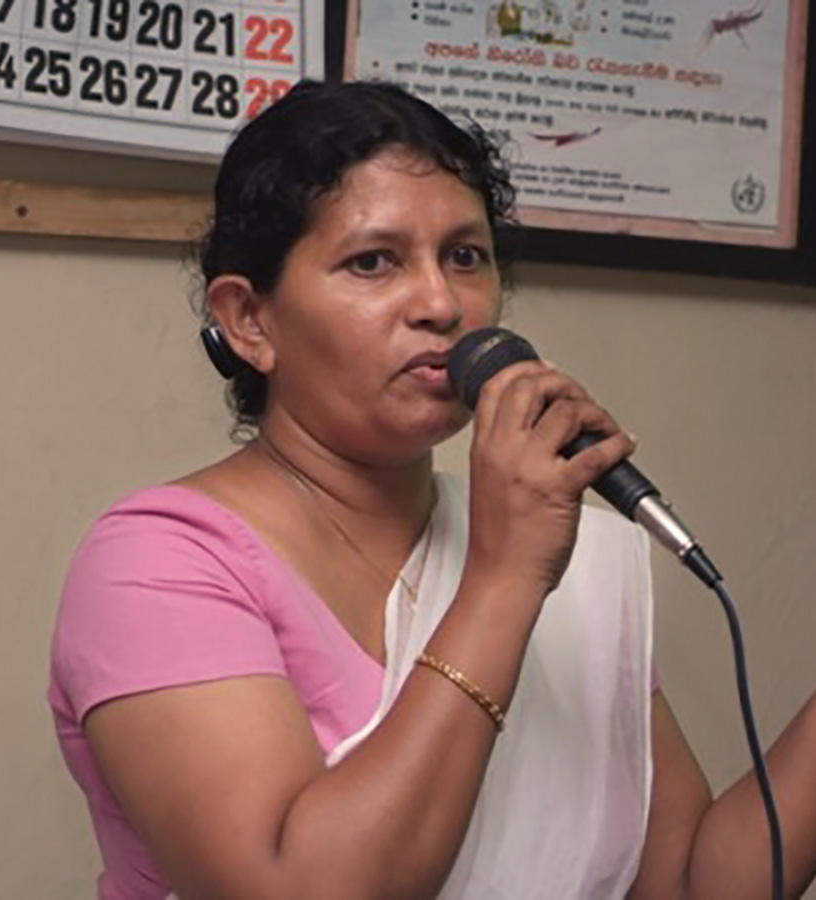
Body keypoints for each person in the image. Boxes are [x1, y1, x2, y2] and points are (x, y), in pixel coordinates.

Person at [49, 80, 816, 900]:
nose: (443, 304)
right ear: (250, 322)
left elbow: (691, 886)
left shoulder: (558, 555)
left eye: (465, 256)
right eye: (373, 261)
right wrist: (504, 580)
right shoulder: (154, 565)